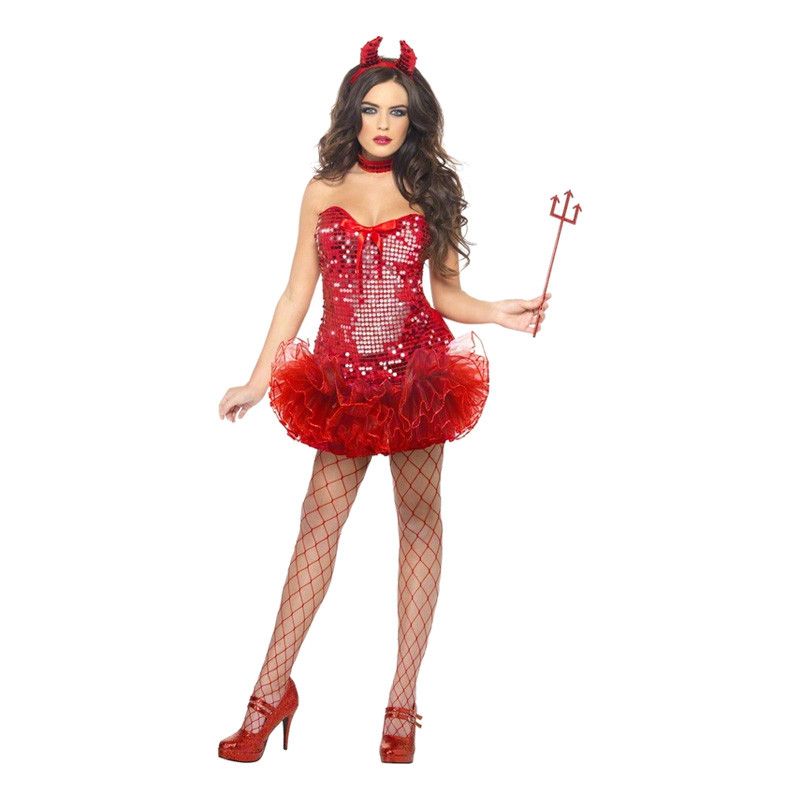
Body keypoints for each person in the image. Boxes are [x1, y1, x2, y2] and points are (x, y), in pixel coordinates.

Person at [217, 35, 550, 764]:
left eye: (397, 111)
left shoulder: (431, 190)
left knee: (419, 524)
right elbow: (296, 294)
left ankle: (403, 703)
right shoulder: (323, 189)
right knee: (317, 529)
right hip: (341, 381)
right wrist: (257, 377)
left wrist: (498, 312)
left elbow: (447, 294)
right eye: (371, 109)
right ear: (352, 113)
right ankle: (269, 693)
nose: (383, 123)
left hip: (416, 376)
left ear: (414, 119)